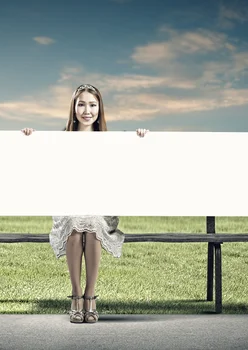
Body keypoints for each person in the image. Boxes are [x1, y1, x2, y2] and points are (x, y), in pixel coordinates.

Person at [21, 83, 148, 323]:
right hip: (69, 206)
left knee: (89, 222)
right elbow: (41, 167)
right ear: (73, 108)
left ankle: (90, 296)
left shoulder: (109, 141)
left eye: (92, 104)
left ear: (99, 108)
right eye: (81, 104)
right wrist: (30, 138)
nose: (86, 110)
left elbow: (128, 169)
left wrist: (140, 138)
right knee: (75, 221)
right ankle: (76, 296)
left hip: (100, 208)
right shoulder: (61, 139)